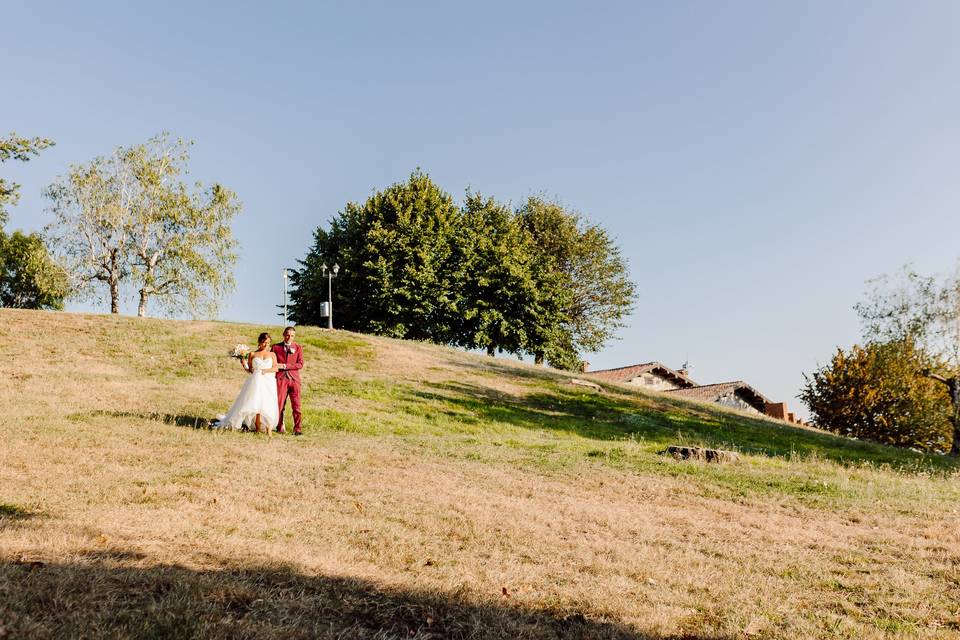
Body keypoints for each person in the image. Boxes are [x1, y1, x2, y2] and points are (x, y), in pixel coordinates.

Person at [217, 332, 279, 434]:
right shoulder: (252, 354)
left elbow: (276, 368)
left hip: (268, 382)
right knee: (257, 405)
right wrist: (243, 364)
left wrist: (266, 371)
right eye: (264, 342)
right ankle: (257, 429)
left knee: (268, 404)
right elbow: (250, 370)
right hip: (256, 382)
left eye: (268, 343)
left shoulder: (272, 354)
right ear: (259, 342)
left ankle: (269, 430)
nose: (266, 345)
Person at [272, 326, 304, 435]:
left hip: (294, 380)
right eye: (287, 335)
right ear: (283, 334)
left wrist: (285, 365)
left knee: (297, 406)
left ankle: (297, 429)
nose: (289, 337)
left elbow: (300, 364)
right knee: (279, 405)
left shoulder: (298, 348)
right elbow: (272, 363)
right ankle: (279, 426)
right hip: (280, 379)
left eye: (292, 336)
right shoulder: (276, 347)